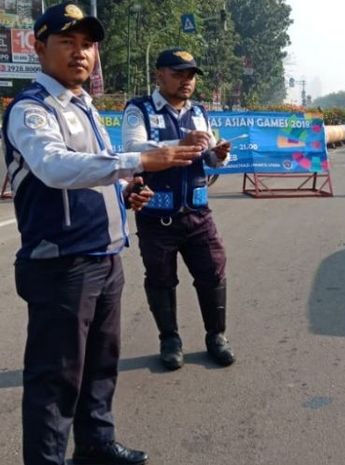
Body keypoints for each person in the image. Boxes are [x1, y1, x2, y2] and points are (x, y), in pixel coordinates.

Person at [3, 3, 202, 465]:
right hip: (62, 265)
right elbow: (54, 167)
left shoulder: (85, 106)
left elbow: (98, 171)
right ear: (39, 47)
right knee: (55, 380)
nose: (80, 54)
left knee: (100, 367)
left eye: (87, 45)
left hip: (106, 257)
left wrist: (125, 190)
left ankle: (94, 444)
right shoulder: (32, 109)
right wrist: (137, 162)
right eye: (67, 43)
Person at [121, 48, 235, 371]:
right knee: (161, 278)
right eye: (179, 73)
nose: (187, 81)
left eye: (191, 75)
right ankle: (169, 339)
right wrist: (178, 144)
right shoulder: (138, 110)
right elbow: (132, 150)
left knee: (213, 272)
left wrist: (219, 155)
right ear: (159, 75)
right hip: (157, 216)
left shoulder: (199, 112)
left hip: (198, 214)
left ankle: (217, 337)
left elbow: (208, 160)